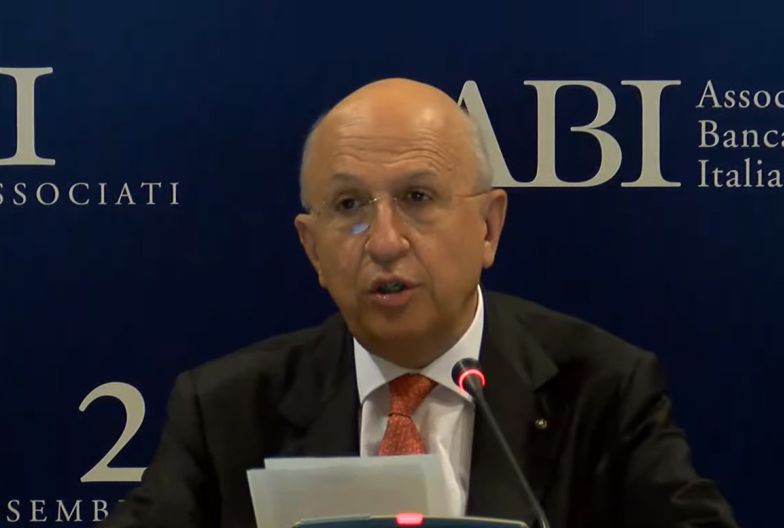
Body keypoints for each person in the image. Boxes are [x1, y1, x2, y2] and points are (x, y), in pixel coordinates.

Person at [100, 78, 738, 528]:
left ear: (488, 227)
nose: (384, 241)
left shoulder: (602, 390)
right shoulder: (227, 409)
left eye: (418, 198)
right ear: (312, 248)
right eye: (349, 205)